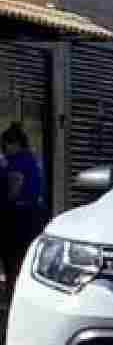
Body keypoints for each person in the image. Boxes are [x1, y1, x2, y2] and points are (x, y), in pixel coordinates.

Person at [1, 122, 48, 292]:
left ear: (14, 144)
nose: (4, 149)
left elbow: (14, 188)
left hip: (18, 216)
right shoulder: (33, 158)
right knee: (26, 259)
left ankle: (13, 296)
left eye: (5, 144)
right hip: (35, 215)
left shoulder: (16, 161)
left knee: (12, 260)